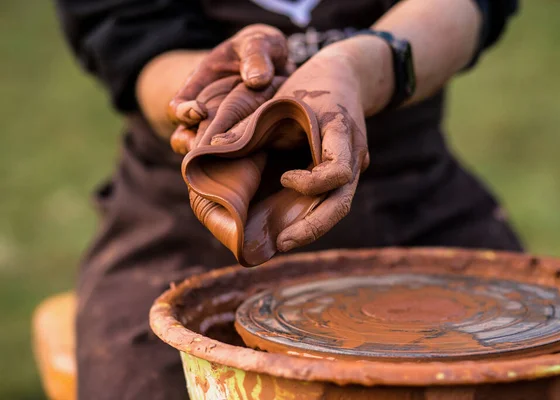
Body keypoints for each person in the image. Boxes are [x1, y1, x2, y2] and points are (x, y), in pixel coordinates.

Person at [54, 0, 521, 398]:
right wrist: (217, 91)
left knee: (524, 363)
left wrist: (357, 69)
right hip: (190, 205)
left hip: (409, 190)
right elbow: (132, 37)